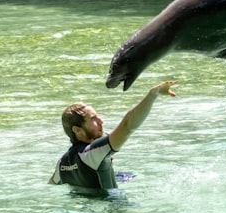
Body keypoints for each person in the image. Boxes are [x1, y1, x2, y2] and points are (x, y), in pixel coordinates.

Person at [50, 80, 178, 191]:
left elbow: (51, 184)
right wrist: (152, 95)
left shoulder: (61, 165)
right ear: (77, 130)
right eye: (93, 119)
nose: (101, 121)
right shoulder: (93, 153)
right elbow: (127, 126)